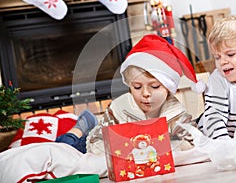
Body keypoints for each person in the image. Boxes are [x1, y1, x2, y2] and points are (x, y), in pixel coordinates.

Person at [0, 34, 205, 182]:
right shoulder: (120, 107)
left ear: (169, 89)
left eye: (154, 87)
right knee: (62, 146)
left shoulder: (175, 112)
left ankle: (81, 124)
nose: (145, 93)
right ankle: (81, 126)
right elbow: (94, 144)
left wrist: (164, 142)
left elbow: (192, 141)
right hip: (86, 144)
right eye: (136, 87)